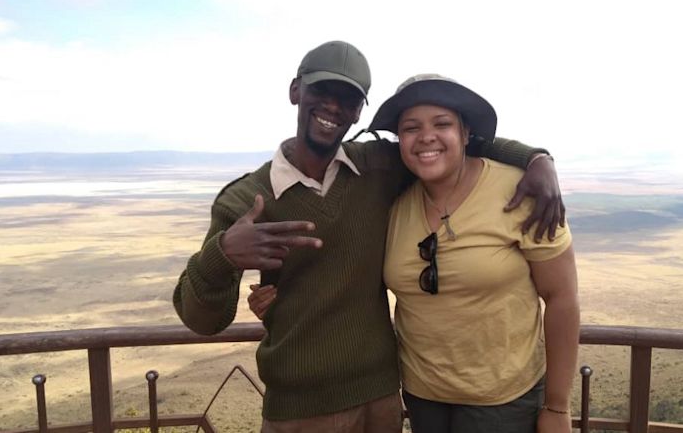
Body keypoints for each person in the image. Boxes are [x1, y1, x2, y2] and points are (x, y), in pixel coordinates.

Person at [173, 41, 566, 433]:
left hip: (382, 400)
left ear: (359, 109)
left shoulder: (376, 167)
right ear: (296, 91)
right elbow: (202, 320)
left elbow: (449, 143)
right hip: (299, 411)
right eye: (322, 91)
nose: (333, 106)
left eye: (348, 98)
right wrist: (222, 255)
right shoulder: (246, 200)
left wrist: (535, 158)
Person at [372, 74, 580, 433]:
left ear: (466, 133)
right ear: (399, 140)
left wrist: (557, 407)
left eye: (442, 123)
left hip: (504, 403)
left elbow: (561, 298)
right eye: (411, 127)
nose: (426, 137)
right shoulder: (393, 201)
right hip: (423, 397)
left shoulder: (522, 191)